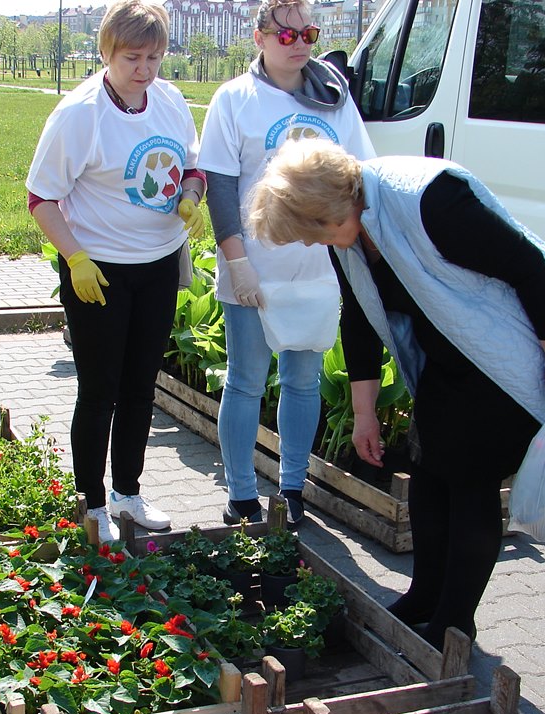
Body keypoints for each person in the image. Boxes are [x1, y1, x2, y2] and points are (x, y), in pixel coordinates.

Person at [246, 138, 545, 650]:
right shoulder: (348, 231)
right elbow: (360, 318)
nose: (314, 244)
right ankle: (425, 597)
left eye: (311, 233)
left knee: (469, 482)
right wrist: (364, 413)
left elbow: (528, 267)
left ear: (330, 208)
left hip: (510, 358)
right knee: (429, 474)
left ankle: (455, 623)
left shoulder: (433, 200)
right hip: (450, 360)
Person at [26, 0, 206, 543]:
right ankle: (92, 502)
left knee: (140, 386)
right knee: (99, 390)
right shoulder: (80, 114)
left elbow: (192, 165)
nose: (145, 70)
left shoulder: (169, 100)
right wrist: (75, 257)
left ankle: (129, 491)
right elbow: (41, 198)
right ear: (106, 52)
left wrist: (191, 196)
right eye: (132, 58)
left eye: (154, 57)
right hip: (99, 271)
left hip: (158, 265)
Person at [198, 0, 375, 529]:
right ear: (259, 37)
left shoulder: (334, 99)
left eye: (309, 34)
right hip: (254, 266)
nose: (299, 44)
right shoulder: (235, 99)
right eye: (286, 35)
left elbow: (361, 174)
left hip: (317, 269)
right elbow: (220, 187)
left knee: (303, 380)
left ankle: (293, 488)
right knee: (246, 380)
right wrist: (237, 261)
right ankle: (241, 494)